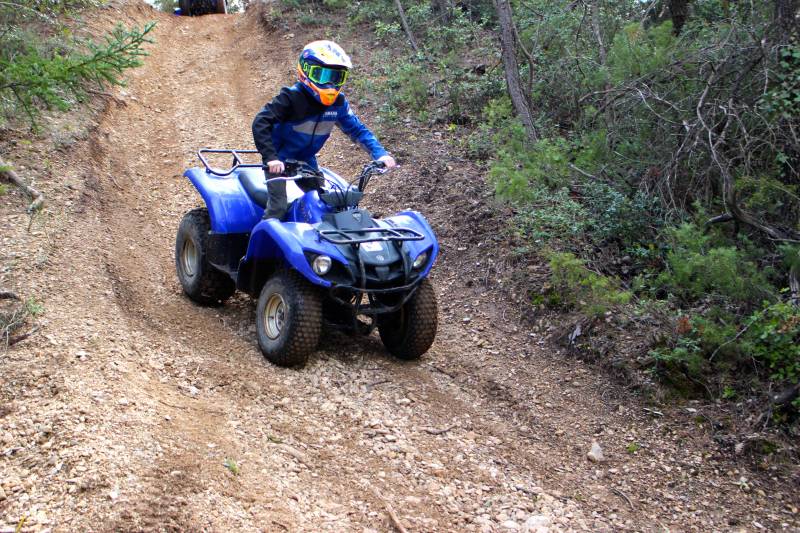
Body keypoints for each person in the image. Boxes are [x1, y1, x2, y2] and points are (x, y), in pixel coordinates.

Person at [252, 40, 396, 220]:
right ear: (305, 71)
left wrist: (380, 154)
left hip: (306, 161)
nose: (329, 84)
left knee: (326, 204)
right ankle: (258, 245)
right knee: (278, 208)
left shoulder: (338, 104)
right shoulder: (291, 98)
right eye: (322, 75)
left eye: (336, 77)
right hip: (279, 160)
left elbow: (358, 131)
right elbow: (261, 122)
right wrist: (271, 158)